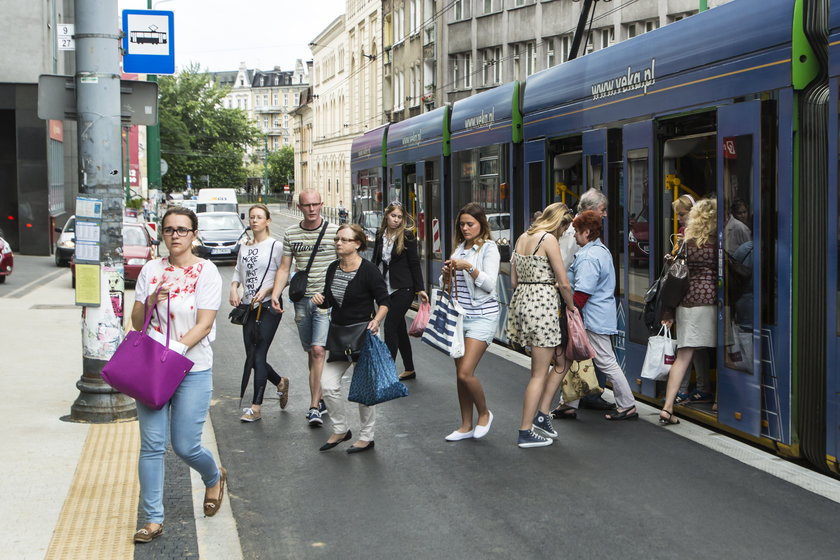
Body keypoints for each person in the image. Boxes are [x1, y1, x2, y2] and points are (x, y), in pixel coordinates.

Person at [131, 206, 225, 544]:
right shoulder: (151, 270)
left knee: (185, 445)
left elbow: (204, 323)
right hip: (152, 367)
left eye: (182, 230)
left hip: (192, 368)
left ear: (193, 234)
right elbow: (136, 322)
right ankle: (153, 519)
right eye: (169, 229)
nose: (175, 235)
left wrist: (176, 353)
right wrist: (151, 299)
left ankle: (213, 476)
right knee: (152, 445)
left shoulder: (207, 272)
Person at [312, 224, 390, 453]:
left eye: (345, 240)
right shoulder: (333, 268)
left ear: (357, 244)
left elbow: (385, 301)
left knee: (363, 388)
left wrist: (377, 320)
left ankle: (367, 436)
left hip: (364, 333)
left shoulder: (368, 270)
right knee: (327, 384)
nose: (339, 243)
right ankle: (341, 429)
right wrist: (321, 300)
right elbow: (331, 300)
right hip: (339, 335)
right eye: (337, 239)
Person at [506, 203, 577, 448]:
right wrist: (571, 307)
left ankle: (543, 414)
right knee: (538, 373)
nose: (561, 234)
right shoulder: (548, 239)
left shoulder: (522, 238)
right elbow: (564, 282)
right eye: (563, 229)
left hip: (523, 304)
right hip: (544, 307)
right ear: (559, 223)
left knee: (561, 361)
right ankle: (526, 430)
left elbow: (514, 280)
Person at [270, 189, 339, 426]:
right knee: (312, 352)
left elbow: (344, 266)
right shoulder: (290, 233)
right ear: (299, 207)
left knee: (319, 351)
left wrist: (331, 294)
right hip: (301, 301)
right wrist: (276, 295)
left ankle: (313, 407)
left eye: (315, 204)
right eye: (306, 205)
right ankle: (319, 398)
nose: (311, 209)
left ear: (321, 204)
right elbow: (284, 268)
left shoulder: (333, 232)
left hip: (324, 301)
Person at [566, 210, 638, 421]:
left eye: (577, 232)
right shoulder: (600, 250)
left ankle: (627, 404)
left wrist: (570, 311)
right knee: (574, 359)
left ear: (587, 232)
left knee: (605, 361)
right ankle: (569, 404)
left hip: (591, 318)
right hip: (596, 315)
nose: (574, 236)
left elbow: (582, 293)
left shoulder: (588, 256)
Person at [551, 188, 616, 416]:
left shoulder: (583, 235)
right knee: (576, 350)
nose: (605, 214)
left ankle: (576, 399)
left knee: (577, 350)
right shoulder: (574, 236)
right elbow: (567, 269)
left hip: (577, 300)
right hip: (574, 300)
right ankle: (579, 397)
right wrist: (570, 303)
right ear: (589, 211)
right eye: (602, 210)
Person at [441, 203, 500, 442]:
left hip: (483, 316)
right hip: (460, 317)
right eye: (462, 224)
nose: (465, 228)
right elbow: (448, 286)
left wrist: (470, 268)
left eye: (470, 224)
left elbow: (489, 284)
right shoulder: (459, 249)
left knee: (466, 372)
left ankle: (484, 413)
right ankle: (465, 425)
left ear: (481, 224)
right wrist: (446, 275)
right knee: (459, 374)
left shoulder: (489, 248)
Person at [658, 198, 718, 425]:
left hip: (687, 304)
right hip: (713, 304)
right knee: (723, 355)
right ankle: (720, 402)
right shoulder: (719, 242)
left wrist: (668, 311)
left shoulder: (687, 242)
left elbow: (675, 277)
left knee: (683, 357)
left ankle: (667, 407)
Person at [230, 204, 288, 423]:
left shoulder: (276, 246)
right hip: (248, 307)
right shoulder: (244, 246)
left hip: (269, 306)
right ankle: (280, 382)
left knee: (259, 354)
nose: (254, 220)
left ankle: (256, 406)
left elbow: (286, 274)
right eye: (252, 217)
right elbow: (238, 269)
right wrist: (234, 287)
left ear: (268, 221)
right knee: (252, 357)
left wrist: (269, 289)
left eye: (259, 217)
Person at [372, 202, 429, 381]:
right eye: (393, 216)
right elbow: (375, 261)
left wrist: (420, 289)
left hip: (404, 288)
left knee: (390, 326)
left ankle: (387, 372)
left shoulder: (407, 236)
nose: (396, 220)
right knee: (399, 329)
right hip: (386, 287)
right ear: (387, 216)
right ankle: (410, 369)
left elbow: (414, 263)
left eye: (399, 217)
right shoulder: (380, 234)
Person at [667, 194, 713, 404]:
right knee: (709, 349)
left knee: (686, 351)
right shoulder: (714, 241)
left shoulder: (688, 240)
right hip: (710, 300)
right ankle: (709, 393)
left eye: (682, 214)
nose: (679, 218)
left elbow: (680, 271)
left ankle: (672, 401)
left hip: (688, 301)